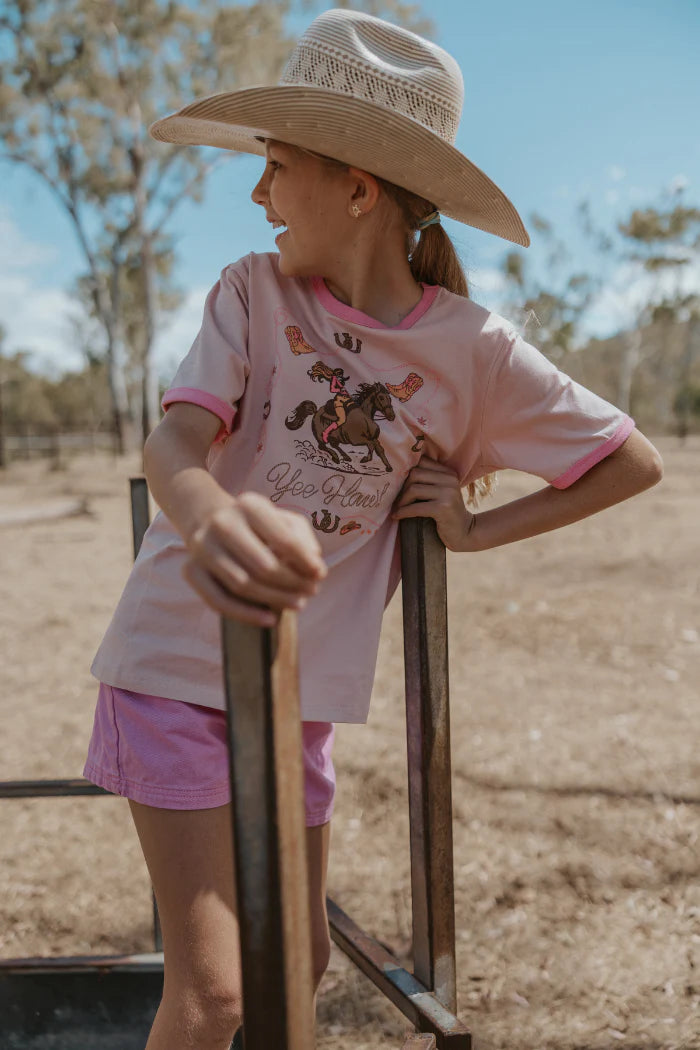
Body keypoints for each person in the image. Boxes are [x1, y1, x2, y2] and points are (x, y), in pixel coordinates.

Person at [84, 8, 663, 1049]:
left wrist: (477, 533)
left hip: (295, 698)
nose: (258, 195)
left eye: (276, 165)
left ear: (355, 187)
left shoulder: (475, 353)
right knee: (217, 995)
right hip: (172, 667)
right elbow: (171, 444)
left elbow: (628, 461)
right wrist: (208, 517)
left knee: (298, 971)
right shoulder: (250, 295)